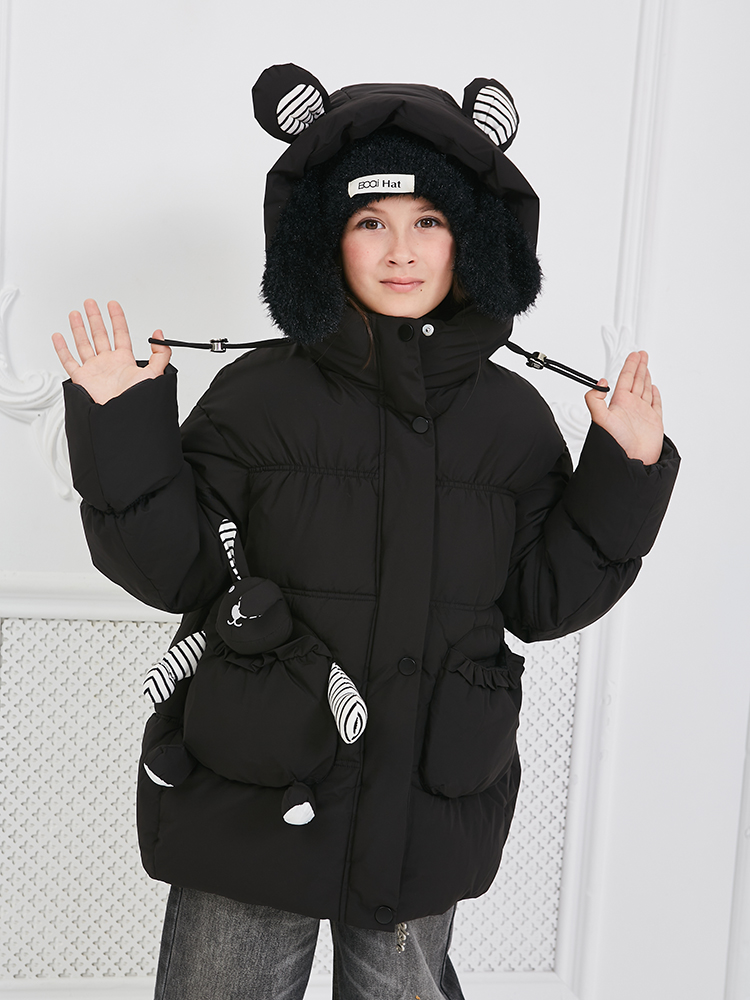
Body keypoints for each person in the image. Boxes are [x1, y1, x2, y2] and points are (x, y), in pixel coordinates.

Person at [52, 66, 680, 1000]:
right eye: (369, 222)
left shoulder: (511, 421)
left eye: (429, 220)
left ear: (471, 239)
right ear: (323, 239)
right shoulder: (258, 398)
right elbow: (177, 571)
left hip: (423, 808)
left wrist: (624, 474)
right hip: (256, 799)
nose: (402, 250)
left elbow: (543, 601)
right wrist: (122, 431)